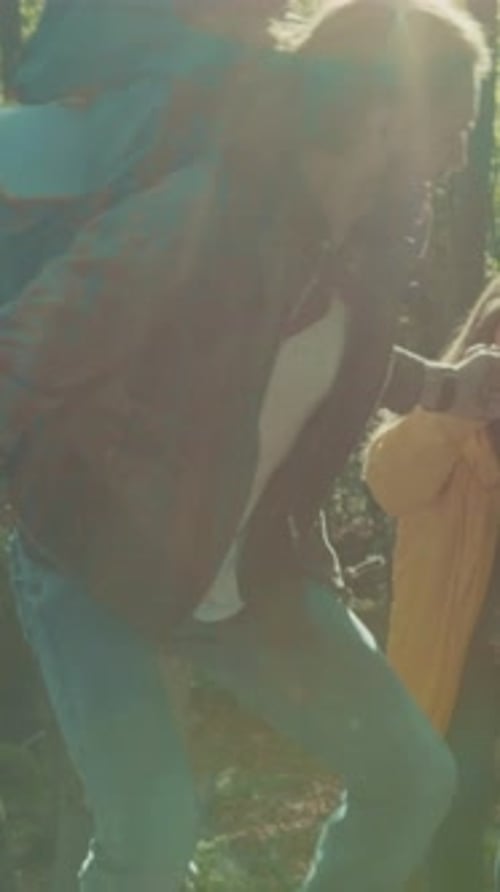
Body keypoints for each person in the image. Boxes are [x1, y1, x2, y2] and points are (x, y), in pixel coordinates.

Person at [0, 2, 496, 890]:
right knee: (150, 836)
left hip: (246, 567)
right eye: (453, 127)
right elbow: (31, 347)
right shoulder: (203, 213)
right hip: (94, 554)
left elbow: (328, 349)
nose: (460, 155)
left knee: (411, 777)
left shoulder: (368, 238)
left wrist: (450, 388)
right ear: (387, 114)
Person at [364, 274, 500, 892]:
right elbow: (390, 483)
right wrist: (452, 410)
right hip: (465, 669)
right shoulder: (442, 432)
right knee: (453, 822)